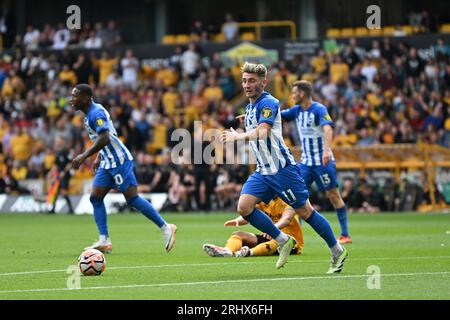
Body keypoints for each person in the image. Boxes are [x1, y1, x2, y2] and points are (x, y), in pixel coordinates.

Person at [221, 62, 347, 273]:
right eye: (244, 80)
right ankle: (282, 240)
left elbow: (263, 132)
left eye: (252, 80)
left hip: (282, 170)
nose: (247, 85)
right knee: (244, 207)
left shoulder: (269, 101)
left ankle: (337, 250)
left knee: (305, 211)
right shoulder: (251, 107)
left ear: (264, 81)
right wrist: (247, 120)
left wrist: (238, 136)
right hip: (263, 170)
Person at [70, 84, 177, 254]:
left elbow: (105, 137)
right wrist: (99, 156)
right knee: (95, 198)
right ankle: (104, 240)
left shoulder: (95, 113)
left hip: (119, 160)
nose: (71, 99)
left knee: (132, 198)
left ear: (86, 98)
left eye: (75, 96)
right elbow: (109, 134)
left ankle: (166, 227)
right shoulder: (90, 113)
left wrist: (84, 156)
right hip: (107, 161)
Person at [281, 80, 352, 244]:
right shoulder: (296, 110)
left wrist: (326, 150)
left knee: (333, 195)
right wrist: (253, 117)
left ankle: (345, 234)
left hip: (322, 161)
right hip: (305, 163)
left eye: (294, 93)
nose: (292, 95)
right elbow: (277, 116)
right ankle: (295, 237)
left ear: (303, 93)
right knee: (297, 197)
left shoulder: (319, 109)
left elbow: (328, 128)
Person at [203, 197, 303, 257]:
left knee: (276, 241)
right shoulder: (264, 200)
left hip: (290, 241)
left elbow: (286, 219)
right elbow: (250, 214)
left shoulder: (288, 199)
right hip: (269, 234)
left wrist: (273, 229)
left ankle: (249, 252)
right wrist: (238, 220)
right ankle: (227, 251)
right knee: (238, 235)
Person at [48, 136, 75, 214]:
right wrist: (50, 173)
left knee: (63, 191)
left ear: (62, 142)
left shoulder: (66, 151)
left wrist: (63, 172)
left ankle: (71, 209)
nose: (56, 142)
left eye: (57, 141)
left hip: (65, 175)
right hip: (58, 174)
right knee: (56, 191)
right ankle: (53, 208)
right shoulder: (57, 152)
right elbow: (56, 165)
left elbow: (70, 163)